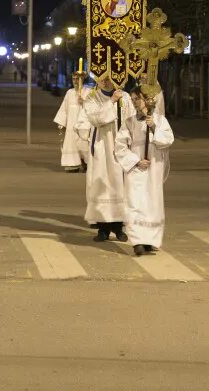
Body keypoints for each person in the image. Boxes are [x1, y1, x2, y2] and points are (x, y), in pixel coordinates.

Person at [115, 89, 175, 256]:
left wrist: (154, 127)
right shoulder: (129, 122)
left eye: (137, 99)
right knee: (135, 203)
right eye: (133, 99)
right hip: (136, 168)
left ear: (147, 100)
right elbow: (119, 146)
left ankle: (149, 241)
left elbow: (168, 140)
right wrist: (135, 161)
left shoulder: (159, 120)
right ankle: (137, 241)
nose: (134, 102)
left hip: (153, 168)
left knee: (151, 203)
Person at [81, 73, 133, 242]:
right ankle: (102, 229)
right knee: (101, 183)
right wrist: (111, 102)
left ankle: (119, 227)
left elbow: (131, 120)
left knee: (120, 184)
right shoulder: (92, 97)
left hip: (121, 146)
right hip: (102, 146)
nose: (105, 81)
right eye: (101, 77)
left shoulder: (125, 97)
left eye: (109, 77)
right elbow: (96, 119)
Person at [53, 76, 91, 172]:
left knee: (84, 144)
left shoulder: (89, 91)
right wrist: (61, 122)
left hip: (84, 124)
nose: (75, 81)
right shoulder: (69, 93)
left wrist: (84, 102)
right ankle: (72, 165)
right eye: (73, 79)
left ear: (82, 79)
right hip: (71, 124)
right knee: (71, 144)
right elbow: (64, 109)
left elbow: (94, 106)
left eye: (77, 79)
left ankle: (86, 163)